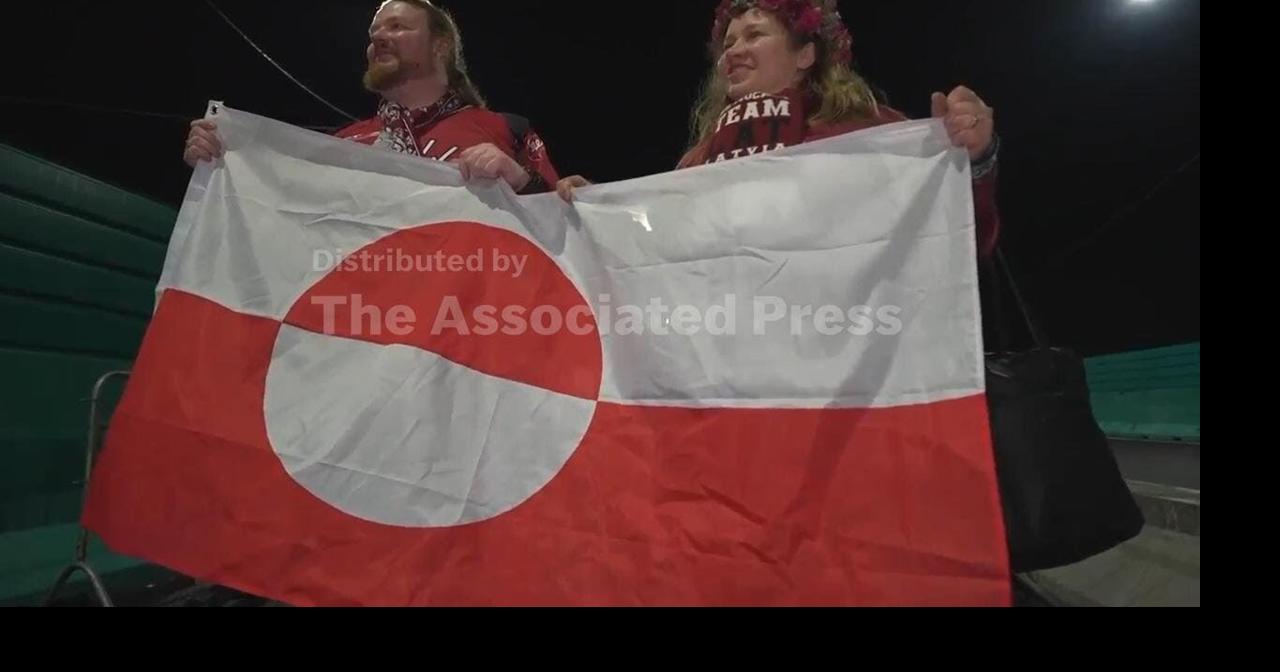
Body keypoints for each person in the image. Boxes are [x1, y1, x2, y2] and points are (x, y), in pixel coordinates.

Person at [557, 0, 1001, 258]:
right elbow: (663, 256)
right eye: (728, 43)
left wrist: (974, 159)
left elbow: (957, 243)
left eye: (754, 36)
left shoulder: (869, 130)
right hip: (742, 377)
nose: (733, 52)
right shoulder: (699, 159)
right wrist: (599, 213)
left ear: (806, 54)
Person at [184, 0, 559, 194]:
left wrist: (520, 178)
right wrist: (222, 164)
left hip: (463, 326)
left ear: (441, 46)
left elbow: (567, 227)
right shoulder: (342, 144)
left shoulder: (506, 130)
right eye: (374, 32)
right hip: (360, 327)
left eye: (397, 27)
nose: (378, 38)